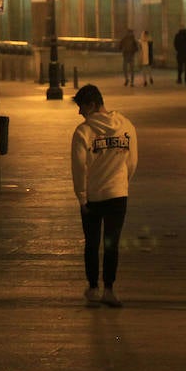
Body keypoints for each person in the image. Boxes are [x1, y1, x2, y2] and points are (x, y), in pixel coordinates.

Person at [70, 84, 138, 307]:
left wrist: (81, 197)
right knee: (111, 243)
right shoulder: (126, 126)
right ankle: (109, 289)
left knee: (91, 243)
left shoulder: (83, 132)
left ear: (91, 105)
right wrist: (122, 183)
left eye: (81, 107)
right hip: (118, 193)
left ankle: (93, 287)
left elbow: (79, 168)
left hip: (93, 196)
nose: (80, 112)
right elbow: (132, 161)